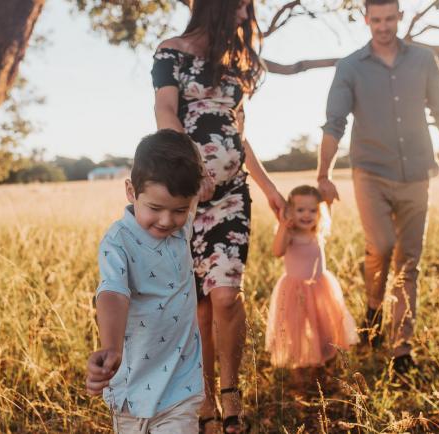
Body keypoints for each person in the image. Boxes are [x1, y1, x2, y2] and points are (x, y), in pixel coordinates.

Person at [151, 0, 286, 432]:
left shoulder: (238, 62)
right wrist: (195, 165)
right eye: (243, 4)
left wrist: (267, 188)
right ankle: (204, 399)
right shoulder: (170, 52)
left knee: (226, 295)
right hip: (186, 195)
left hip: (231, 195)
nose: (249, 11)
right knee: (201, 310)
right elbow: (165, 113)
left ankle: (231, 395)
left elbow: (237, 134)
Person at [317, 0, 439, 374]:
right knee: (381, 246)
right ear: (367, 19)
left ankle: (401, 349)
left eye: (389, 19)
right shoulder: (350, 66)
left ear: (399, 16)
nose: (383, 26)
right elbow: (334, 122)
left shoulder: (423, 60)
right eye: (376, 20)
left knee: (408, 262)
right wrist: (324, 174)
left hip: (417, 172)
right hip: (371, 172)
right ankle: (373, 306)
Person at [85, 129, 205, 434]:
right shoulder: (119, 241)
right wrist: (111, 347)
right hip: (131, 385)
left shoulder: (183, 224)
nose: (167, 221)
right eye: (154, 208)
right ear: (130, 191)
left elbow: (200, 193)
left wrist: (205, 188)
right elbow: (113, 292)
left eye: (179, 210)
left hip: (182, 382)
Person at [266, 185, 358, 384]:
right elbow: (277, 251)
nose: (307, 215)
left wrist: (328, 191)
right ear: (290, 211)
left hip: (320, 287)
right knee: (296, 329)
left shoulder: (318, 231)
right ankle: (299, 368)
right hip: (294, 289)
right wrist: (283, 225)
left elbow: (327, 205)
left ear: (320, 212)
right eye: (300, 210)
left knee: (325, 325)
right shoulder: (290, 234)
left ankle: (325, 364)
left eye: (313, 210)